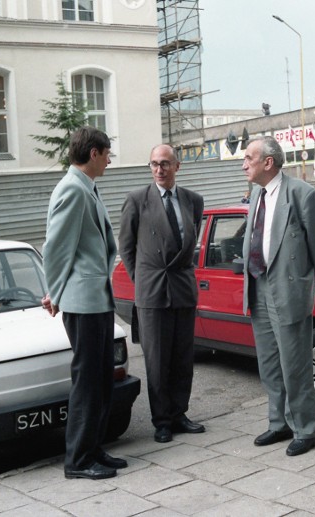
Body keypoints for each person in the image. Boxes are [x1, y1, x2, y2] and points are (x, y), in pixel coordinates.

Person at [41, 126, 126, 480]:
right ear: (93, 153)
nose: (109, 160)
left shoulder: (85, 187)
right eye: (107, 153)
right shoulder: (73, 190)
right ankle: (77, 460)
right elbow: (56, 248)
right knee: (88, 381)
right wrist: (55, 292)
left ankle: (93, 449)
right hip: (82, 300)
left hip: (95, 298)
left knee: (101, 380)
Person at [241, 136, 315, 457]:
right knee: (269, 364)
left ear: (268, 162)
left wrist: (308, 282)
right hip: (258, 287)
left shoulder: (302, 194)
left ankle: (305, 428)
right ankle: (278, 423)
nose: (243, 164)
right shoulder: (255, 195)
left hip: (288, 290)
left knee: (295, 365)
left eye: (249, 158)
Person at [119, 144, 205, 444]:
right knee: (157, 360)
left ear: (177, 166)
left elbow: (189, 241)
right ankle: (162, 420)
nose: (159, 169)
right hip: (152, 291)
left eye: (165, 164)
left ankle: (180, 413)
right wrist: (141, 280)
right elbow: (126, 248)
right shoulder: (137, 200)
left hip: (182, 288)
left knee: (182, 357)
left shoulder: (193, 200)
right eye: (154, 164)